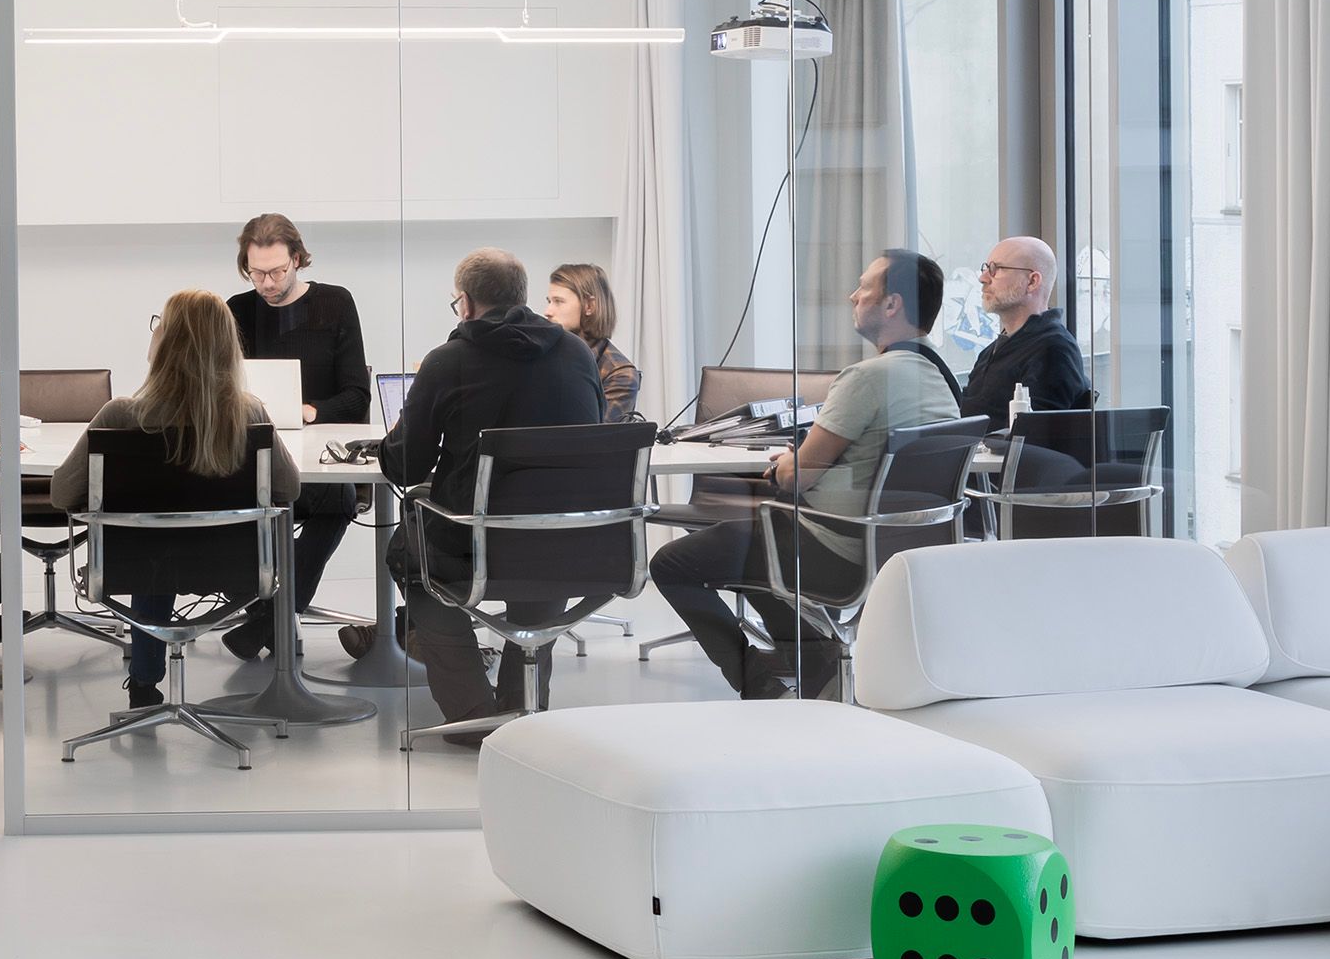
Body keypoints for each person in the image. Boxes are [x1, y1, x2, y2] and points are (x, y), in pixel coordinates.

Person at [652, 250, 961, 699]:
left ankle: (761, 686)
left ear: (891, 304)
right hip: (900, 545)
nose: (852, 295)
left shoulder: (867, 378)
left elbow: (799, 478)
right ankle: (816, 670)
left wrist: (785, 463)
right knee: (749, 550)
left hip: (834, 547)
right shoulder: (939, 379)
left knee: (672, 564)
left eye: (864, 287)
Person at [382, 248, 607, 726]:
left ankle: (471, 711)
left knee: (408, 552)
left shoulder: (447, 361)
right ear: (522, 298)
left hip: (472, 542)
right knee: (540, 541)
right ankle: (522, 708)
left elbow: (405, 465)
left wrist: (406, 417)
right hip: (566, 541)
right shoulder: (578, 354)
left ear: (464, 303)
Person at [51, 290, 300, 710]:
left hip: (140, 566)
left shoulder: (120, 415)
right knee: (164, 542)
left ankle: (144, 684)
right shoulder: (250, 414)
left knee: (154, 542)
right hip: (230, 565)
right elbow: (289, 489)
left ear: (167, 341)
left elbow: (62, 493)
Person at [220, 212, 371, 661]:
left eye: (277, 271)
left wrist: (312, 411)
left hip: (316, 462)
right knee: (214, 503)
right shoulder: (237, 309)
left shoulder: (335, 304)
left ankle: (269, 620)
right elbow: (221, 386)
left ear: (299, 260)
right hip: (253, 457)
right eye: (256, 272)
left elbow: (357, 393)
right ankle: (265, 614)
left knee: (339, 501)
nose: (266, 282)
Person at [957, 236, 1093, 426]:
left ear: (1032, 282)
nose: (983, 278)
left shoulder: (1053, 349)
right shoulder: (992, 351)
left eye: (995, 269)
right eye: (986, 268)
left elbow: (1034, 438)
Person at [544, 263, 642, 419]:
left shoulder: (620, 374)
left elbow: (594, 436)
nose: (547, 312)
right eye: (549, 301)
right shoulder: (545, 354)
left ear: (589, 306)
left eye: (558, 301)